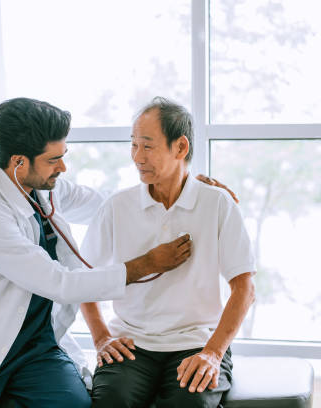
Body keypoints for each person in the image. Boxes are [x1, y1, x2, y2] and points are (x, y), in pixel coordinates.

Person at [0, 97, 192, 408]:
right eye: (53, 160)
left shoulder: (44, 189)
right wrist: (147, 264)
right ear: (19, 163)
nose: (63, 167)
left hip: (35, 348)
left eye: (63, 156)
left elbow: (111, 207)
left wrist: (178, 186)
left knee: (76, 406)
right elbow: (60, 283)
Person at [80, 97, 256, 408]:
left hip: (196, 340)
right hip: (132, 344)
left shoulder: (217, 203)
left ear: (181, 147)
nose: (137, 157)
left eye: (147, 146)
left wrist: (213, 353)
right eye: (133, 145)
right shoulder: (117, 207)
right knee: (110, 402)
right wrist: (102, 338)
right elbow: (85, 280)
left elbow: (244, 288)